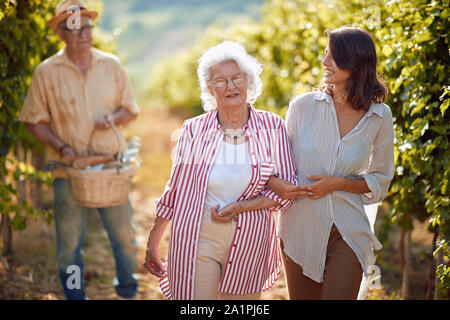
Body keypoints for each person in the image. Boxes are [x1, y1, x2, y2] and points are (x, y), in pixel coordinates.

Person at [143, 41, 298, 300]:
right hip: (198, 234)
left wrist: (240, 207)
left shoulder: (272, 127)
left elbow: (287, 190)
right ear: (209, 88)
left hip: (251, 238)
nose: (230, 86)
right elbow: (176, 189)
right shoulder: (194, 130)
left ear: (248, 80)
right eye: (220, 81)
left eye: (236, 78)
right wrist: (153, 240)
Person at [19, 0, 140, 300]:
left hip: (111, 168)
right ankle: (75, 296)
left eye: (87, 27)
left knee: (124, 237)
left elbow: (131, 110)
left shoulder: (112, 65)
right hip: (67, 169)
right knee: (69, 246)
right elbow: (32, 121)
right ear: (61, 33)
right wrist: (61, 146)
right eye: (75, 28)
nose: (84, 34)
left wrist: (114, 118)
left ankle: (127, 289)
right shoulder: (46, 72)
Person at [268, 27, 395, 300]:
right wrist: (279, 187)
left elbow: (381, 179)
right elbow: (276, 169)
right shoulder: (301, 107)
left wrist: (338, 184)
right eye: (325, 54)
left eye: (333, 56)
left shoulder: (380, 116)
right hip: (300, 229)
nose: (324, 62)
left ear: (356, 60)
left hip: (348, 230)